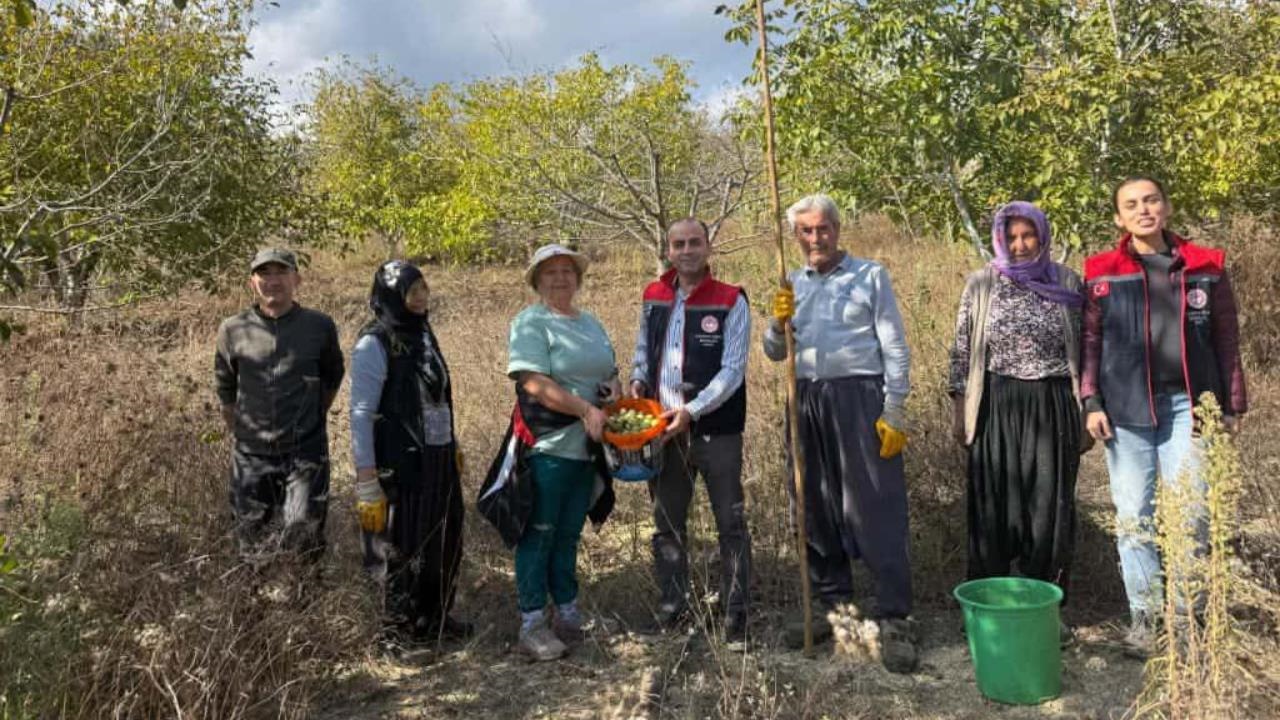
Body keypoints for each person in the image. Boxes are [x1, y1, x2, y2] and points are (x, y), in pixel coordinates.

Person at [1082, 176, 1247, 657]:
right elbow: (1090, 342)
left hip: (1192, 407)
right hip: (1127, 410)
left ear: (1167, 207)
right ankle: (1146, 618)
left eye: (1151, 200)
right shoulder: (1102, 271)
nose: (1143, 210)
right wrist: (1090, 400)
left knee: (1193, 516)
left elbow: (1227, 339)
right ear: (1119, 217)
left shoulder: (1205, 266)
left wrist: (1232, 404)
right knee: (1135, 517)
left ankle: (1186, 619)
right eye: (1131, 205)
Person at [765, 194, 917, 673]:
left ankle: (895, 616)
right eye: (806, 231)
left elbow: (893, 343)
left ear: (837, 228)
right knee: (814, 503)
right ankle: (833, 606)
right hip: (807, 397)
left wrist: (893, 408)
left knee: (872, 505)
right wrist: (776, 322)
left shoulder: (870, 275)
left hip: (861, 397)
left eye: (823, 228)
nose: (816, 238)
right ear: (796, 236)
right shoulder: (791, 281)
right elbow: (774, 351)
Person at [949, 202, 1086, 640]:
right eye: (1012, 237)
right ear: (1000, 239)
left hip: (1052, 403)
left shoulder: (1066, 281)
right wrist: (959, 410)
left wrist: (1089, 408)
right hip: (995, 401)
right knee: (994, 507)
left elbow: (1086, 348)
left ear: (1043, 237)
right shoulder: (982, 284)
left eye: (1028, 236)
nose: (1020, 245)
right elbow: (962, 351)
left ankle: (1046, 611)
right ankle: (989, 609)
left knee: (1048, 508)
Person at [628, 218, 752, 649]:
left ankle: (735, 616)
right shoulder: (654, 295)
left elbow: (733, 370)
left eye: (694, 243)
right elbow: (644, 348)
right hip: (663, 431)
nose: (686, 251)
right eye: (678, 244)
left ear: (708, 247)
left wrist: (692, 411)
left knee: (730, 523)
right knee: (667, 524)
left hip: (716, 431)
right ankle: (672, 607)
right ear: (668, 249)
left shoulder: (731, 299)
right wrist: (638, 383)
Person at [506, 243, 621, 661]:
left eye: (567, 271)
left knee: (569, 532)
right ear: (537, 279)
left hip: (586, 448)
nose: (560, 278)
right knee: (539, 532)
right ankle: (532, 622)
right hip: (549, 445)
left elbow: (610, 371)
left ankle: (567, 613)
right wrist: (585, 408)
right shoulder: (530, 322)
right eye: (550, 272)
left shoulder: (590, 323)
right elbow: (534, 382)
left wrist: (613, 393)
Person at [350, 260, 470, 647]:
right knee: (398, 547)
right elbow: (362, 414)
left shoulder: (423, 334)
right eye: (410, 291)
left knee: (442, 538)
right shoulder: (374, 342)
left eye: (423, 289)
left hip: (436, 457)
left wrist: (453, 445)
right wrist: (367, 480)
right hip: (398, 464)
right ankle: (394, 632)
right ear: (391, 296)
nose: (420, 298)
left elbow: (439, 397)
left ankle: (433, 618)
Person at [214, 247, 344, 561]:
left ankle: (303, 603)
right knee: (251, 540)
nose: (273, 281)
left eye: (281, 272)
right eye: (264, 273)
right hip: (252, 456)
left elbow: (332, 376)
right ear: (252, 282)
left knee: (304, 535)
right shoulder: (233, 329)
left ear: (296, 279)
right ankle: (255, 605)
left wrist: (309, 418)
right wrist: (246, 434)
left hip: (305, 453)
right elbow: (226, 390)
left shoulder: (319, 325)